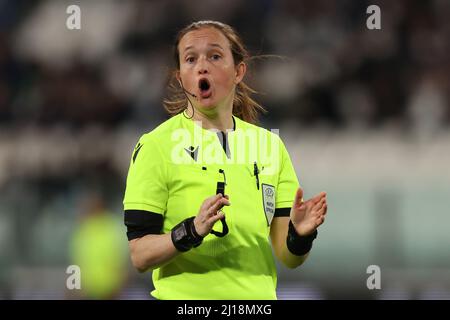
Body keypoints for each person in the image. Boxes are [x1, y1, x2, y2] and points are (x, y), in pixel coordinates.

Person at [123, 20, 328, 300]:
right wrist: (191, 231)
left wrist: (300, 236)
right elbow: (139, 255)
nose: (202, 66)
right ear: (181, 77)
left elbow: (287, 256)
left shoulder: (269, 147)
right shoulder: (156, 146)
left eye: (215, 56)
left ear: (238, 71)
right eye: (190, 58)